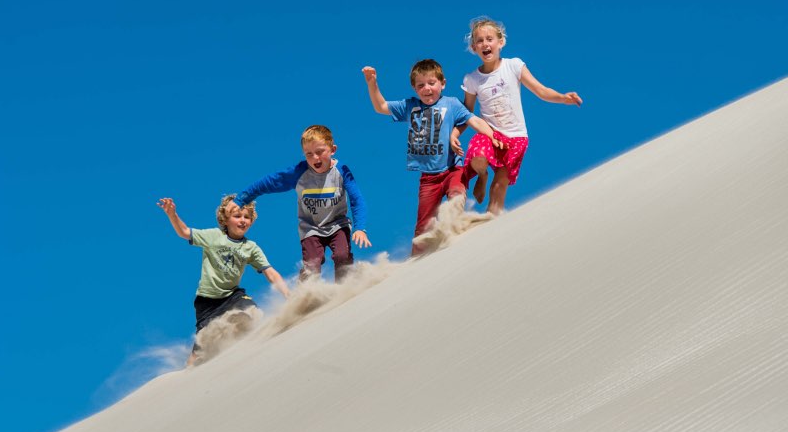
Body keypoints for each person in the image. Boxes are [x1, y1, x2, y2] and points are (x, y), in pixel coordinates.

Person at [362, 59, 501, 255]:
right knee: (423, 227)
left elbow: (474, 120)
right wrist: (372, 83)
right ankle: (416, 263)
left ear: (442, 83)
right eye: (421, 85)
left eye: (432, 83)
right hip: (428, 178)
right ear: (414, 88)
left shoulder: (451, 104)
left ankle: (457, 237)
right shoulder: (410, 106)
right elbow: (381, 106)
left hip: (453, 169)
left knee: (455, 197)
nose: (427, 88)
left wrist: (492, 136)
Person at [461, 16, 583, 215]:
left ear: (500, 42)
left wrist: (562, 97)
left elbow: (540, 90)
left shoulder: (514, 66)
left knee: (499, 186)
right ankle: (482, 175)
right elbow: (467, 112)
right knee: (479, 159)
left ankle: (491, 223)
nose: (485, 44)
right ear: (474, 48)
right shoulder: (472, 79)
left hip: (515, 136)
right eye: (480, 41)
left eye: (489, 39)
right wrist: (454, 135)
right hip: (490, 134)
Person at [224, 125, 371, 281]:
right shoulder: (299, 173)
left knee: (342, 256)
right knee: (312, 266)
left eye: (320, 152)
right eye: (309, 154)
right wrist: (241, 199)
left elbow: (357, 200)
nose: (315, 158)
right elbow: (269, 182)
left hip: (338, 224)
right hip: (311, 229)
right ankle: (306, 295)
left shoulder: (341, 172)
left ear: (333, 149)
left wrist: (360, 228)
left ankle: (346, 290)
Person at [157, 195, 289, 366]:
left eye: (246, 217)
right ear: (225, 220)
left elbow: (270, 272)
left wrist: (287, 293)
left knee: (252, 312)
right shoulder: (213, 236)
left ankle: (240, 351)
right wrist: (172, 214)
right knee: (198, 354)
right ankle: (188, 376)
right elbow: (184, 232)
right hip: (206, 303)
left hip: (232, 295)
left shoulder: (251, 248)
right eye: (237, 216)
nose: (242, 220)